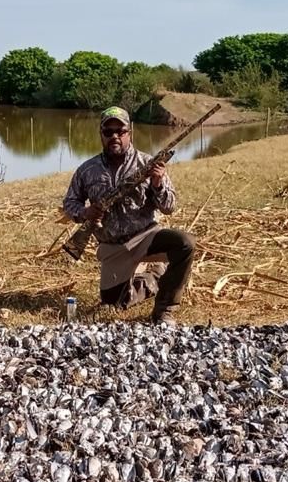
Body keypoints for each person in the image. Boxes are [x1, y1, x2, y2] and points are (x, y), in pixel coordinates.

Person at [62, 106, 195, 324]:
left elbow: (169, 207)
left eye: (120, 131)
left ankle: (164, 311)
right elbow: (70, 203)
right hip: (113, 246)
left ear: (129, 133)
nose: (115, 136)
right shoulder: (87, 170)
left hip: (146, 237)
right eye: (108, 131)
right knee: (113, 303)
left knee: (185, 243)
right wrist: (85, 212)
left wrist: (157, 183)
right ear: (101, 134)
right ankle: (154, 278)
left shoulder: (148, 164)